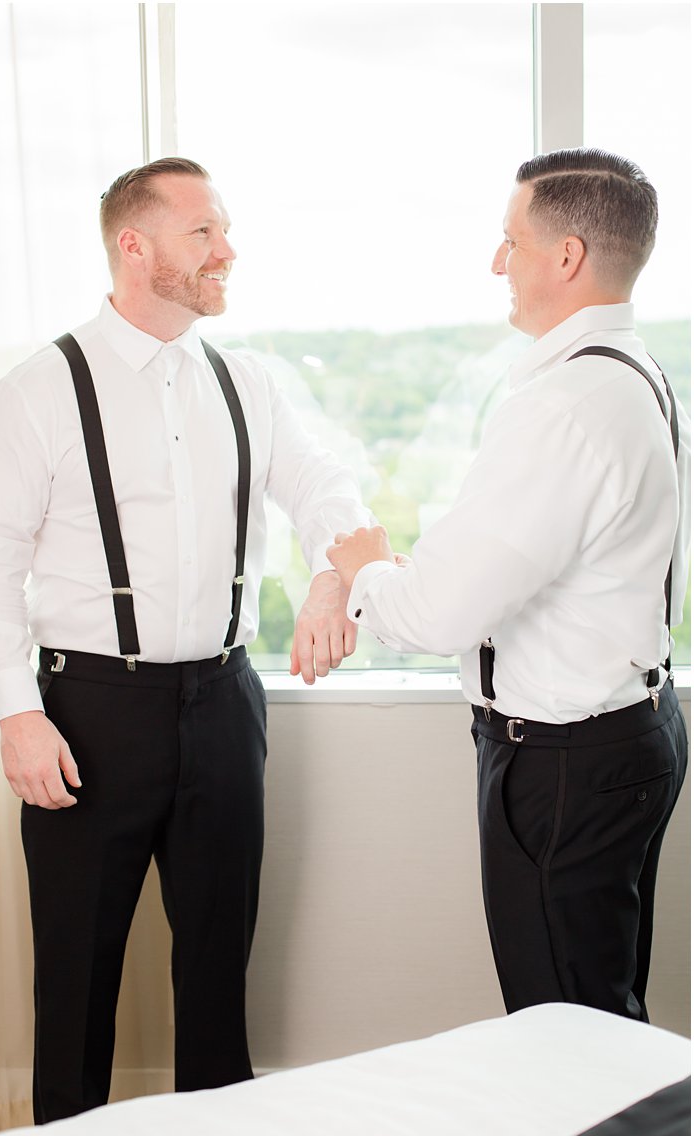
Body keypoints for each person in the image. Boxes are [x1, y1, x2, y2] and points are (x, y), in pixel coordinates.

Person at [0, 156, 372, 1124]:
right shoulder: (37, 391)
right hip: (87, 714)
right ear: (132, 246)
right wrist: (16, 713)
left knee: (218, 974)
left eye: (221, 232)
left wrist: (326, 578)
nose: (227, 250)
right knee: (75, 980)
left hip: (223, 706)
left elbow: (325, 493)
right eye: (203, 233)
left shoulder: (246, 382)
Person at [328, 148, 689, 1023]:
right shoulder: (636, 375)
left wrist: (363, 567)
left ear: (567, 256)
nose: (499, 262)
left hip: (567, 763)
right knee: (603, 1015)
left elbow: (438, 611)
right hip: (630, 730)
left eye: (511, 240)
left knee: (562, 1033)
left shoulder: (563, 406)